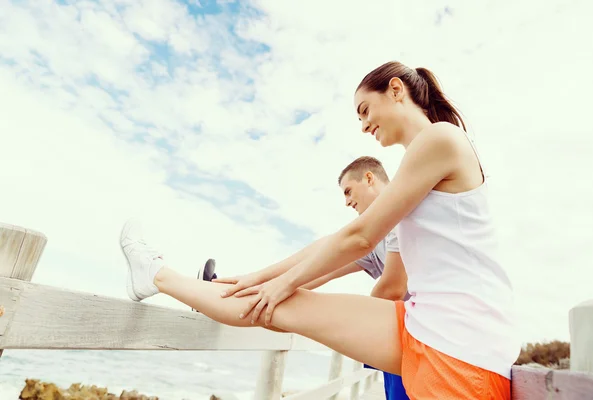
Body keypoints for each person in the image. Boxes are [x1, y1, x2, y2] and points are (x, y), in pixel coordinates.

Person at [120, 60, 521, 399]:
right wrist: (261, 277)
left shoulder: (440, 139)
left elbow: (359, 237)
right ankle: (154, 273)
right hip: (431, 326)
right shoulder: (421, 159)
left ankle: (155, 273)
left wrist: (280, 284)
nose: (363, 125)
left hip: (462, 346)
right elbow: (334, 244)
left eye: (365, 110)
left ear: (396, 90)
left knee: (274, 302)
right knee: (271, 304)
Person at [208, 156, 409, 399]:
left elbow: (393, 288)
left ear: (369, 178)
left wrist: (347, 323)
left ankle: (215, 297)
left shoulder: (402, 216)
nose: (346, 202)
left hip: (418, 338)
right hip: (397, 336)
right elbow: (317, 272)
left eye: (348, 191)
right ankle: (218, 294)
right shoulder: (375, 241)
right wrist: (261, 287)